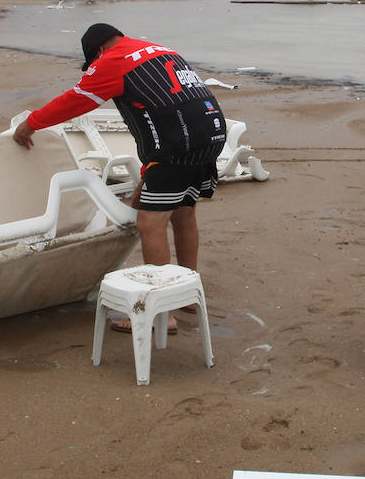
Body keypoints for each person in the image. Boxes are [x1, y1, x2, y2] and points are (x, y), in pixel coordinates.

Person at [12, 24, 227, 335]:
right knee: (183, 212)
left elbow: (76, 100)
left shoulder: (112, 61)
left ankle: (161, 314)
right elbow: (167, 105)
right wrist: (148, 173)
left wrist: (31, 123)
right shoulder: (162, 50)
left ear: (98, 50)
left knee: (150, 223)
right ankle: (188, 295)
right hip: (211, 134)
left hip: (179, 144)